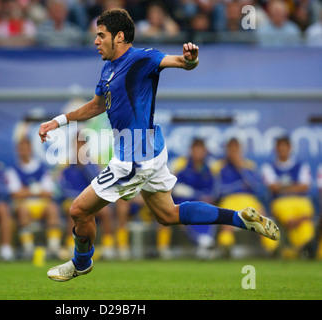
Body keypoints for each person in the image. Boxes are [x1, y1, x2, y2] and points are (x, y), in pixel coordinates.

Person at [38, 8, 280, 282]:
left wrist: (191, 60)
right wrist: (57, 122)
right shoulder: (108, 67)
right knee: (167, 214)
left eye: (100, 35)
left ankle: (81, 262)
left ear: (119, 36)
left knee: (78, 210)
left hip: (134, 158)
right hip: (150, 150)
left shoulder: (142, 58)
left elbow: (180, 62)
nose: (95, 41)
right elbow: (97, 105)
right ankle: (239, 218)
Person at [212, 137, 278, 255]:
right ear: (226, 151)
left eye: (236, 150)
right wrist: (238, 186)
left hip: (248, 199)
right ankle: (226, 247)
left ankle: (272, 249)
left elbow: (257, 187)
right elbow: (217, 190)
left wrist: (240, 167)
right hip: (229, 199)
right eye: (231, 150)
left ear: (240, 150)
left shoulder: (248, 165)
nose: (233, 153)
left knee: (261, 218)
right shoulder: (218, 166)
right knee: (226, 221)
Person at [58, 134, 115, 260]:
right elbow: (63, 188)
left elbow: (99, 183)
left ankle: (108, 247)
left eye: (82, 144)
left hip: (91, 202)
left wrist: (85, 165)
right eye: (77, 143)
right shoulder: (66, 165)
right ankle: (70, 246)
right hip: (71, 200)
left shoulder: (92, 164)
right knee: (73, 211)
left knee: (106, 211)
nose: (79, 147)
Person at [5, 137, 62, 259]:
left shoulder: (42, 168)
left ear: (31, 149)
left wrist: (26, 190)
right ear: (17, 150)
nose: (24, 151)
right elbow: (15, 193)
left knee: (52, 209)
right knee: (23, 211)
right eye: (21, 149)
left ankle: (54, 248)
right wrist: (36, 190)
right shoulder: (12, 170)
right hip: (23, 205)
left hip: (41, 205)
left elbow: (48, 192)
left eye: (26, 148)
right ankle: (28, 249)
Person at [261, 135, 315, 258]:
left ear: (290, 148)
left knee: (305, 221)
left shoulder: (301, 165)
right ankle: (297, 250)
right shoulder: (269, 167)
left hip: (300, 201)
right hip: (281, 202)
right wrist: (295, 187)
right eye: (280, 147)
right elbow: (273, 188)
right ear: (276, 149)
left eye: (285, 147)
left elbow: (305, 186)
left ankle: (301, 249)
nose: (282, 150)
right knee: (288, 216)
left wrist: (282, 187)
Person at [171, 138, 217, 259]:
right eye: (195, 150)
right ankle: (203, 241)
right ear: (191, 150)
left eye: (200, 150)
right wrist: (196, 195)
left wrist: (206, 197)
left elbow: (214, 190)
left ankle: (205, 242)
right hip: (183, 203)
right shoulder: (182, 166)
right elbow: (176, 189)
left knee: (208, 208)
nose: (198, 153)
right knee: (188, 209)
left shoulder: (209, 168)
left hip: (203, 203)